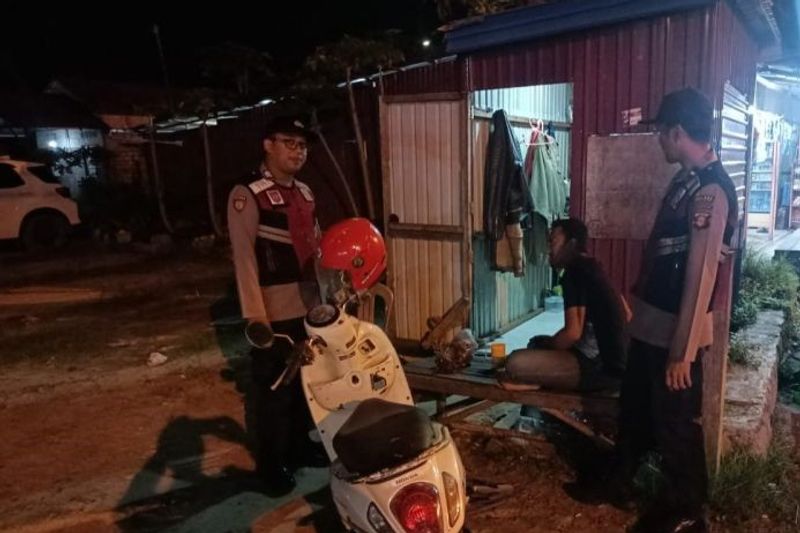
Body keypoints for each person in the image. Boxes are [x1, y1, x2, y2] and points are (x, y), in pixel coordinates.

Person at [617, 87, 738, 532]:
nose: (658, 140)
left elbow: (701, 275)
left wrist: (682, 353)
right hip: (652, 325)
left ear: (678, 132)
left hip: (675, 333)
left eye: (661, 132)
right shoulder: (686, 181)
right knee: (637, 411)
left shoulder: (710, 192)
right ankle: (622, 482)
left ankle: (687, 511)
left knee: (676, 425)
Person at [227, 115, 325, 496]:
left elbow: (317, 248)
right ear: (268, 145)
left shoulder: (305, 193)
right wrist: (256, 317)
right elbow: (243, 259)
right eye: (289, 143)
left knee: (305, 386)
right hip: (274, 311)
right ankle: (271, 465)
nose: (298, 152)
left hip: (309, 307)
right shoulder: (247, 194)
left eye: (302, 145)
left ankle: (300, 447)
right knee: (274, 391)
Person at [499, 218, 629, 392]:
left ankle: (541, 382)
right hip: (618, 367)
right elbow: (628, 314)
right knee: (537, 343)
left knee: (514, 363)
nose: (549, 249)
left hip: (599, 370)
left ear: (571, 244)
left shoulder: (574, 272)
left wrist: (548, 347)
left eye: (553, 241)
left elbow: (572, 334)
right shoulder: (596, 268)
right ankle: (543, 378)